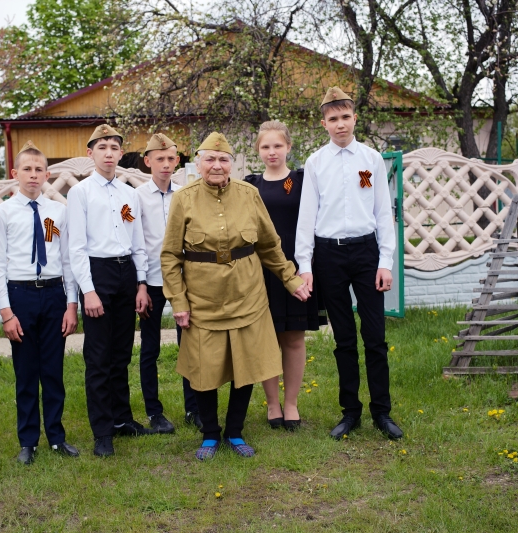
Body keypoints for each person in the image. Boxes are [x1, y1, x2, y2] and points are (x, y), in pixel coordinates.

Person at [161, 132, 310, 460]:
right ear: (198, 163)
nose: (216, 165)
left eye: (223, 160)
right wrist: (179, 301)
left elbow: (269, 245)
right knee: (204, 367)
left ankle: (235, 431)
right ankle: (210, 434)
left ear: (232, 164)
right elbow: (170, 256)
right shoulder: (183, 198)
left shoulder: (249, 194)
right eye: (210, 159)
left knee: (246, 363)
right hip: (203, 299)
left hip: (248, 294)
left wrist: (291, 279)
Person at [295, 87, 403, 441]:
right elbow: (307, 216)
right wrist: (305, 265)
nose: (340, 124)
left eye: (345, 117)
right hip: (329, 257)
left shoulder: (371, 159)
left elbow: (383, 214)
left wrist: (385, 262)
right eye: (333, 119)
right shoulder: (315, 163)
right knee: (343, 339)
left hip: (366, 254)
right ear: (324, 124)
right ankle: (350, 412)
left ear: (355, 118)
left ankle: (382, 412)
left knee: (375, 337)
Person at [0, 141, 80, 464]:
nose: (33, 175)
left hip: (53, 294)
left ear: (47, 175)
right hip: (21, 295)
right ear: (14, 173)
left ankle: (56, 436)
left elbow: (67, 260)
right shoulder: (2, 213)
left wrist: (71, 304)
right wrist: (6, 312)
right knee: (26, 372)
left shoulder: (58, 212)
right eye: (26, 169)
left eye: (39, 169)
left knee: (53, 371)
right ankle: (28, 441)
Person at [67, 124, 153, 458]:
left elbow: (137, 242)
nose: (108, 153)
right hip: (98, 272)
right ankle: (103, 431)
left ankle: (121, 419)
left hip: (125, 272)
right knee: (99, 357)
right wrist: (88, 291)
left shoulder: (129, 194)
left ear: (121, 153)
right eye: (102, 147)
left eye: (114, 147)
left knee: (121, 353)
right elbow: (76, 247)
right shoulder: (81, 193)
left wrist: (141, 283)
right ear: (90, 153)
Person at [243, 121, 326, 431]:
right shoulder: (250, 185)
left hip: (297, 266)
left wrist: (306, 266)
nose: (272, 152)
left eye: (278, 145)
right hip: (261, 271)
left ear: (288, 147)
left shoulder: (303, 181)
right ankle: (272, 404)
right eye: (265, 146)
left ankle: (291, 403)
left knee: (293, 337)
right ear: (258, 150)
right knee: (266, 339)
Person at [135, 133, 201, 433]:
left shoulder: (185, 195)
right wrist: (140, 284)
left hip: (182, 281)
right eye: (159, 158)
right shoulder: (137, 197)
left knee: (189, 344)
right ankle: (154, 412)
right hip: (150, 280)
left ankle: (194, 408)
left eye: (170, 158)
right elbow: (135, 242)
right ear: (148, 161)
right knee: (150, 349)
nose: (165, 164)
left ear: (177, 161)